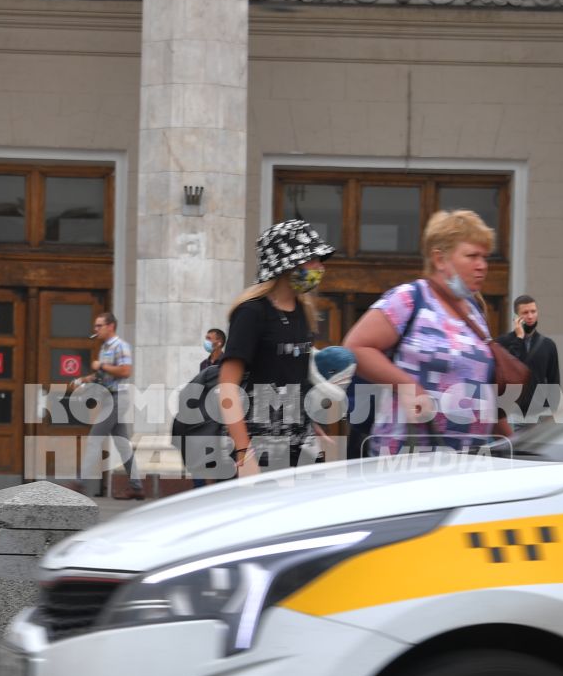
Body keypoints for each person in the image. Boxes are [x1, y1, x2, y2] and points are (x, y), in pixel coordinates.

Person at [344, 209, 510, 457]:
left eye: (485, 257)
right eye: (472, 256)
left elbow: (480, 382)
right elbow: (355, 347)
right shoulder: (410, 298)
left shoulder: (474, 311)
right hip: (408, 457)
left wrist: (512, 439)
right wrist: (408, 386)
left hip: (467, 459)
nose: (482, 266)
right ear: (440, 259)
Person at [219, 218, 333, 476]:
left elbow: (293, 379)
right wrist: (243, 452)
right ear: (287, 264)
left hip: (297, 441)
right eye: (312, 259)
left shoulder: (304, 312)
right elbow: (227, 388)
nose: (319, 267)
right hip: (257, 443)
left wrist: (310, 426)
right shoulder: (251, 313)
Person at [82, 311, 143, 500]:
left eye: (99, 326)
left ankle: (80, 483)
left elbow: (125, 371)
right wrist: (87, 379)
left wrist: (101, 366)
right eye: (95, 326)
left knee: (94, 439)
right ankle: (137, 487)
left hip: (118, 397)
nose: (96, 330)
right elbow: (105, 375)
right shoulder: (104, 348)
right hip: (110, 397)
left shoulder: (120, 346)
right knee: (123, 444)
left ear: (111, 326)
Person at [173, 327, 229, 488]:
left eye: (209, 338)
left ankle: (210, 490)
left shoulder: (226, 363)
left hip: (218, 416)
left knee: (212, 458)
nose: (206, 341)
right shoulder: (204, 364)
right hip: (203, 414)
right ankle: (200, 488)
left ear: (219, 342)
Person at [496, 293, 560, 425]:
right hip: (512, 413)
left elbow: (554, 381)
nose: (530, 316)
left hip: (541, 413)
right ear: (516, 317)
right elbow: (510, 369)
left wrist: (554, 411)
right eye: (525, 312)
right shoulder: (502, 343)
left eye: (533, 311)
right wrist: (519, 338)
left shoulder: (548, 345)